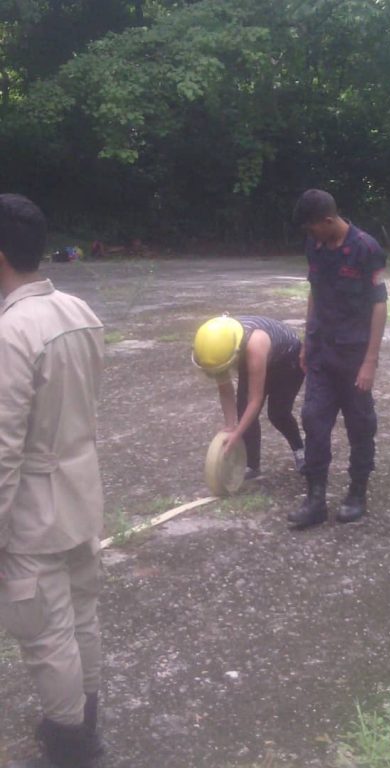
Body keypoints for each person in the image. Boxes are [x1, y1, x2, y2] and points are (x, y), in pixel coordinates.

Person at [0, 194, 105, 768]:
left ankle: (69, 745)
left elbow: (3, 450)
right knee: (82, 613)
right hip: (81, 492)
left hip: (33, 512)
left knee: (46, 633)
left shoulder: (11, 332)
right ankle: (85, 721)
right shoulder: (79, 311)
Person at [288, 189, 388, 528]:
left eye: (312, 227)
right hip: (322, 355)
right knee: (313, 421)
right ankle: (315, 500)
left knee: (361, 426)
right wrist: (307, 341)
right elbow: (314, 292)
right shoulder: (314, 246)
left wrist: (370, 361)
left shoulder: (366, 248)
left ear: (329, 221)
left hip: (354, 357)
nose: (310, 234)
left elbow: (379, 305)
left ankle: (357, 493)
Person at [193, 315, 305, 478]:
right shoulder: (212, 348)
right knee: (243, 410)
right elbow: (225, 391)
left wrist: (237, 434)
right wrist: (230, 426)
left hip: (287, 360)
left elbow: (255, 400)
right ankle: (252, 465)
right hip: (255, 355)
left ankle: (300, 450)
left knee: (278, 413)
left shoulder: (254, 344)